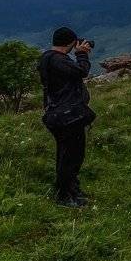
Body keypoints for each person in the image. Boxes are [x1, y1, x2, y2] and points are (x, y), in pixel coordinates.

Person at [38, 26, 96, 208]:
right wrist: (82, 54)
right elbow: (82, 71)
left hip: (60, 114)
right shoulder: (58, 60)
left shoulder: (48, 58)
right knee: (70, 157)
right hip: (67, 116)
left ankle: (72, 190)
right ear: (71, 43)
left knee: (70, 155)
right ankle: (64, 196)